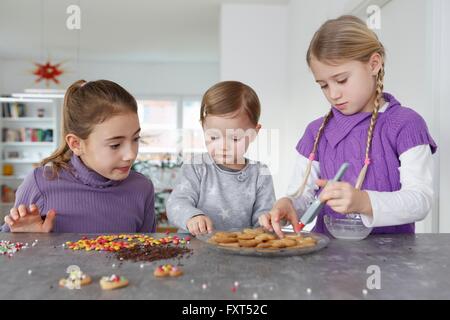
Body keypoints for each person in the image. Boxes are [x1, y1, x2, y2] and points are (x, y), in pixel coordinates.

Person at [258, 16, 437, 238]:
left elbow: (420, 201)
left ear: (374, 64)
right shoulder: (316, 132)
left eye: (342, 80)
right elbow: (304, 197)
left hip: (393, 262)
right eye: (323, 85)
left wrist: (363, 202)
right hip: (327, 265)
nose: (333, 94)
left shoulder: (406, 124)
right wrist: (289, 204)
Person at [1, 80, 156, 233]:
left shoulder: (142, 188)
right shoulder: (39, 184)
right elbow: (6, 251)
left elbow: (149, 254)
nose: (131, 155)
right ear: (76, 144)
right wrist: (24, 240)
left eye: (135, 139)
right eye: (115, 145)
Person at [167, 81, 275, 236]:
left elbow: (264, 216)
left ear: (254, 132)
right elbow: (176, 203)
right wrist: (192, 216)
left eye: (235, 138)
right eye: (213, 137)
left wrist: (267, 222)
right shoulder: (196, 166)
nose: (223, 147)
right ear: (203, 126)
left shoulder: (259, 173)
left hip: (238, 251)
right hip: (194, 250)